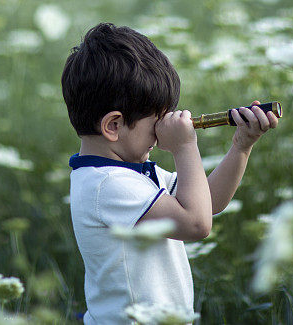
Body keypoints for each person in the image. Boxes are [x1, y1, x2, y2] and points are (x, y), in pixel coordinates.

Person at [63, 23, 279, 324]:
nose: (160, 133)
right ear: (113, 126)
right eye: (155, 123)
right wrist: (185, 146)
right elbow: (196, 223)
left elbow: (208, 201)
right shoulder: (107, 185)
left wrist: (241, 147)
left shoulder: (128, 172)